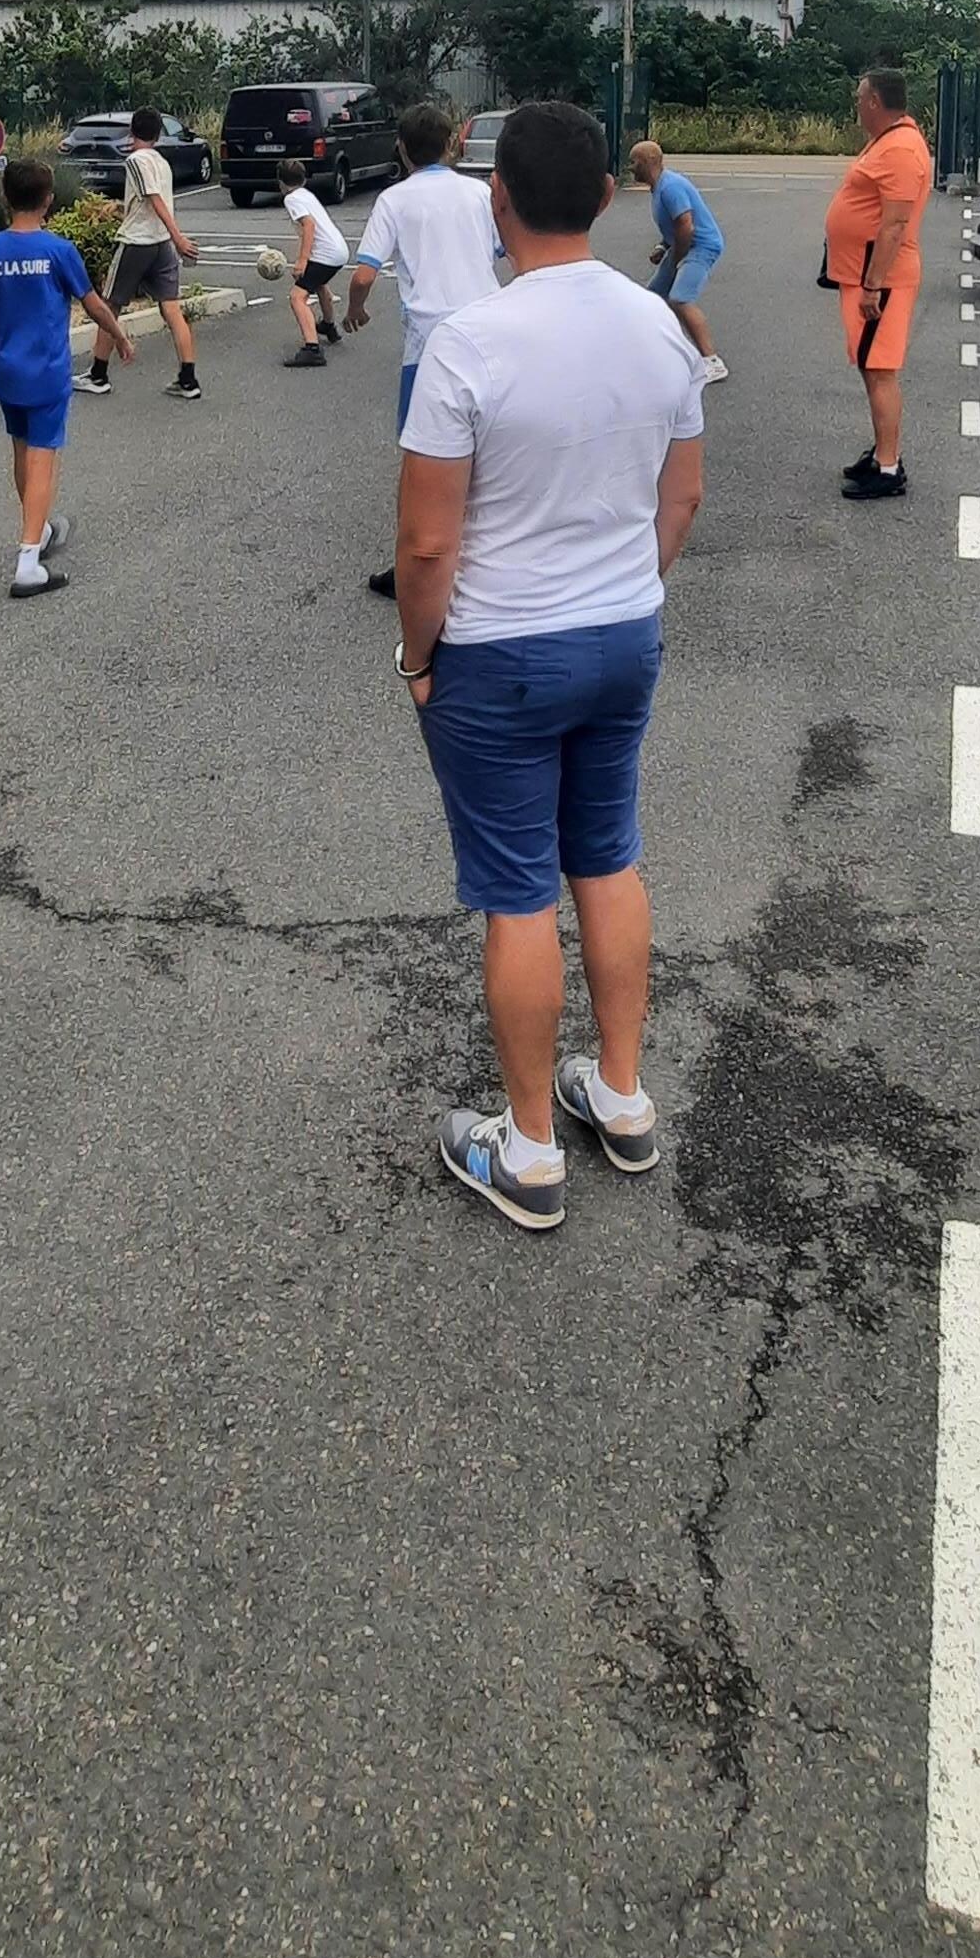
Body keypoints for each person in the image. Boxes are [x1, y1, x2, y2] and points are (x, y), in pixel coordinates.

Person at [394, 98, 705, 1233]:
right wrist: (626, 589)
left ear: (499, 199)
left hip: (499, 653)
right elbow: (683, 495)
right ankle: (619, 1095)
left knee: (518, 890)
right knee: (608, 858)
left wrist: (418, 656)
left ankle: (528, 1152)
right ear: (610, 196)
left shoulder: (469, 343)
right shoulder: (661, 328)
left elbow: (428, 543)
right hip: (623, 636)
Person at [345, 97, 502, 593]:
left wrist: (355, 310)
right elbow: (501, 248)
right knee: (488, 450)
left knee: (422, 459)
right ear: (453, 143)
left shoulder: (394, 200)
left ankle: (413, 566)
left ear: (401, 148)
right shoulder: (478, 193)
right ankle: (483, 560)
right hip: (489, 332)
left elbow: (364, 273)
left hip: (431, 342)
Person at [0, 156, 135, 596]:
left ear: (5, 197)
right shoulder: (59, 251)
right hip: (47, 371)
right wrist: (119, 336)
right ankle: (28, 562)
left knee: (22, 453)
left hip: (7, 372)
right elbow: (93, 303)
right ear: (48, 201)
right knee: (43, 460)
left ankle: (37, 530)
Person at [822, 64, 935, 500]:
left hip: (880, 280)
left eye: (859, 97)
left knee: (880, 371)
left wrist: (873, 285)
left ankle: (888, 469)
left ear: (874, 101)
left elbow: (895, 224)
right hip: (864, 274)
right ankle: (883, 452)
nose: (855, 104)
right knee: (871, 367)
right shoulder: (888, 140)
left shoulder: (900, 149)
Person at [80, 108, 202, 401]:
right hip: (161, 244)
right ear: (158, 134)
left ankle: (98, 374)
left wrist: (179, 237)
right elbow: (150, 200)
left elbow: (153, 198)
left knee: (110, 305)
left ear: (131, 131)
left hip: (138, 242)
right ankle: (188, 379)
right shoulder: (162, 162)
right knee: (171, 309)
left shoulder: (136, 159)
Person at [629, 140, 727, 379]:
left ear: (649, 161)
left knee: (680, 298)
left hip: (701, 246)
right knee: (654, 298)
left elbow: (686, 225)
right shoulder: (660, 187)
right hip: (682, 246)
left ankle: (713, 362)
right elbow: (674, 227)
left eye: (634, 162)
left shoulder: (670, 187)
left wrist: (678, 258)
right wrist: (663, 246)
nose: (630, 167)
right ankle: (657, 353)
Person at [280, 165, 350, 366]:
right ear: (304, 179)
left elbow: (309, 225)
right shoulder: (306, 194)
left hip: (326, 254)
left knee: (297, 296)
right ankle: (328, 325)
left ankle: (312, 349)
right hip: (339, 250)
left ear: (280, 182)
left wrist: (302, 261)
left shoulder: (291, 199)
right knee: (319, 283)